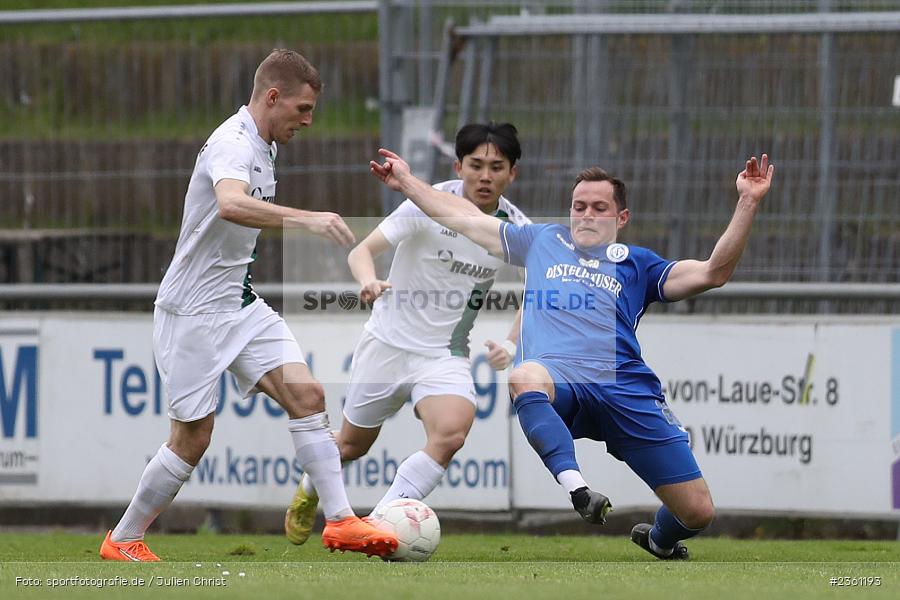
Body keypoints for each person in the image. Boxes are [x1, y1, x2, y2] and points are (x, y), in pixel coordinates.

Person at [369, 147, 774, 560]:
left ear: (622, 218)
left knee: (698, 511)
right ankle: (577, 488)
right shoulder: (543, 241)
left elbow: (713, 272)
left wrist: (747, 201)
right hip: (558, 377)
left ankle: (659, 540)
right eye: (578, 206)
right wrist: (406, 181)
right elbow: (463, 216)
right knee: (524, 376)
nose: (586, 214)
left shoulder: (639, 264)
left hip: (624, 389)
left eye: (600, 207)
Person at [99, 49, 398, 562]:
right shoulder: (232, 143)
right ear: (272, 97)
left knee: (307, 396)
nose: (308, 120)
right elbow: (231, 203)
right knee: (193, 438)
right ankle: (123, 538)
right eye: (302, 109)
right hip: (192, 313)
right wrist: (308, 220)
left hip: (239, 303)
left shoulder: (265, 142)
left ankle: (341, 521)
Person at [284, 122, 530, 545]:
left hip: (443, 353)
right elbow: (363, 250)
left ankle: (382, 522)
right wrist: (367, 281)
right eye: (476, 165)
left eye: (497, 167)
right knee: (351, 446)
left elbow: (539, 288)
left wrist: (510, 342)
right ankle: (310, 488)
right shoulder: (425, 203)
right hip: (387, 344)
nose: (485, 176)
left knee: (451, 433)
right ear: (459, 166)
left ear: (512, 174)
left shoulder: (513, 227)